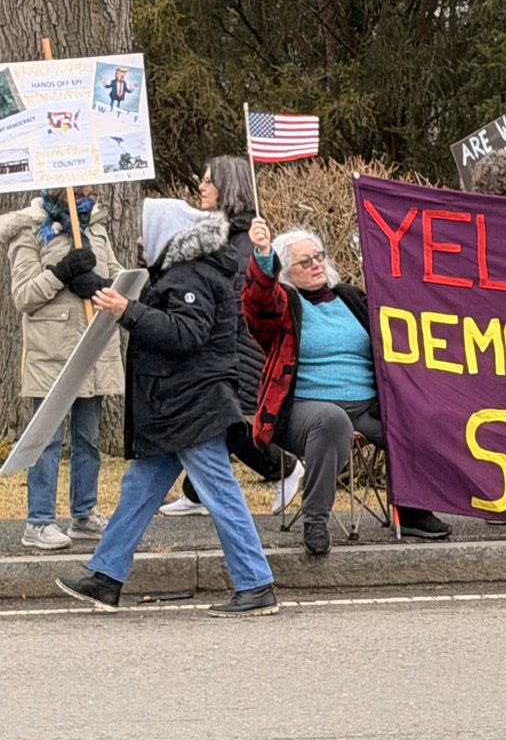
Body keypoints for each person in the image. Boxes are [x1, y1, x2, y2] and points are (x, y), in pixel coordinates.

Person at [56, 199, 278, 616]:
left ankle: (256, 584)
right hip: (176, 404)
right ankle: (106, 577)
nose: (141, 239)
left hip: (192, 404)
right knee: (138, 490)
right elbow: (150, 309)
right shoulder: (182, 272)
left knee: (221, 494)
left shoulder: (190, 274)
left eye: (145, 230)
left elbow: (185, 334)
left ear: (166, 232)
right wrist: (91, 285)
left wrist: (127, 311)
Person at [242, 217, 453, 555]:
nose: (316, 264)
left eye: (318, 256)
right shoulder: (284, 306)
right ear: (286, 273)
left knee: (416, 416)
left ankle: (412, 512)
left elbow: (396, 327)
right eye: (304, 262)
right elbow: (258, 303)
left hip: (365, 407)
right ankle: (315, 520)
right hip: (305, 412)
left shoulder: (351, 298)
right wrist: (264, 255)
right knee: (332, 420)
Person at [159, 156, 304, 518]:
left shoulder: (243, 241)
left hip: (238, 347)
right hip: (227, 346)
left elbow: (242, 300)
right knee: (217, 420)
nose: (201, 187)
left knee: (228, 422)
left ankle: (283, 467)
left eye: (209, 181)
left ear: (228, 187)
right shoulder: (220, 234)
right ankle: (196, 492)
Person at [0, 188, 123, 550]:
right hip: (51, 351)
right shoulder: (28, 229)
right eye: (80, 184)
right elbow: (24, 296)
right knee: (47, 440)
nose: (88, 190)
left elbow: (117, 275)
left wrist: (102, 286)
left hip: (93, 345)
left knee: (88, 439)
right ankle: (39, 520)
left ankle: (84, 514)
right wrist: (61, 272)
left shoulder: (95, 225)